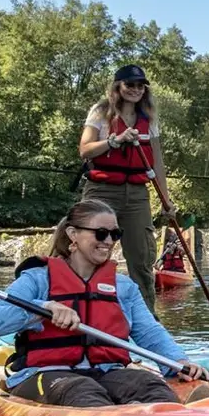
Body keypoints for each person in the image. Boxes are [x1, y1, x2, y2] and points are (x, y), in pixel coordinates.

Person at [0, 198, 209, 407]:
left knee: (151, 387)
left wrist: (178, 362)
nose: (108, 241)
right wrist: (42, 308)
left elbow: (149, 332)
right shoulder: (37, 279)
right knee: (82, 392)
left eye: (115, 234)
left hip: (107, 371)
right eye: (100, 233)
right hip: (47, 374)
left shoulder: (124, 287)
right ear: (72, 234)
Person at [78, 64, 177, 309]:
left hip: (136, 194)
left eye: (140, 85)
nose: (135, 90)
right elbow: (85, 149)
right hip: (101, 191)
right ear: (117, 87)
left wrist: (167, 201)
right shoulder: (101, 112)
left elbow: (158, 163)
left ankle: (146, 320)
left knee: (142, 258)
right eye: (129, 85)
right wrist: (114, 141)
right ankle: (82, 310)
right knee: (89, 250)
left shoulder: (148, 118)